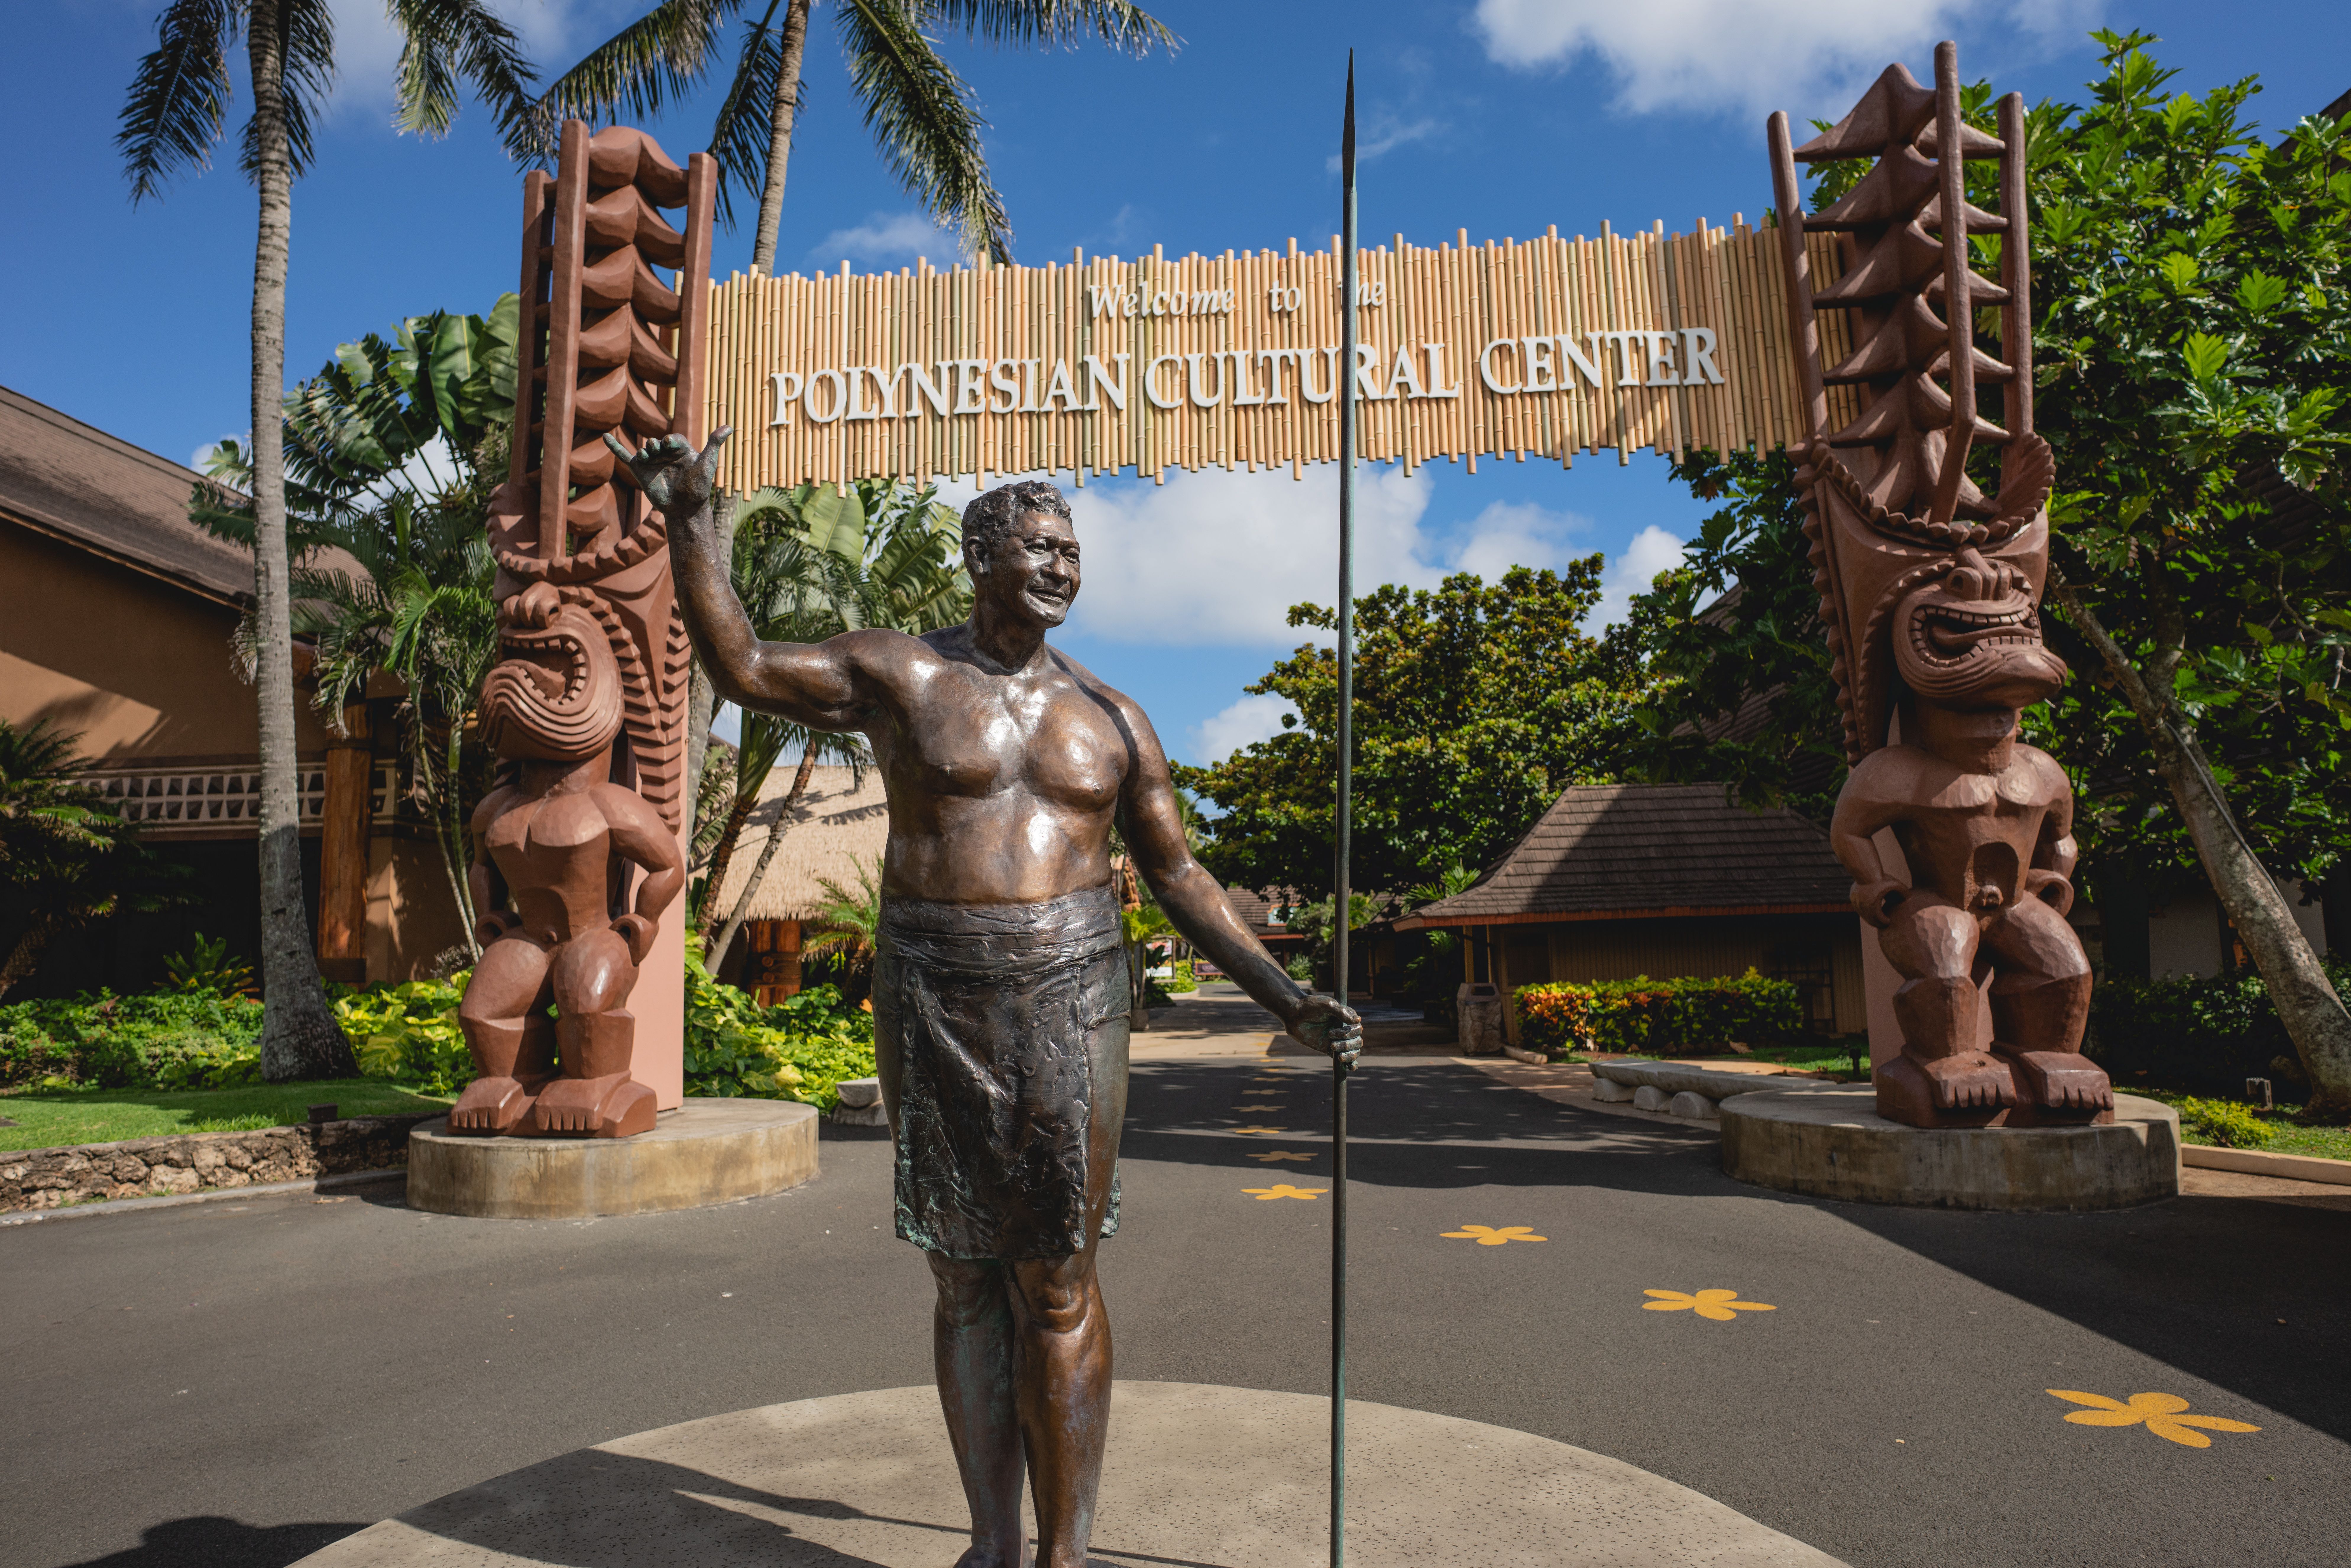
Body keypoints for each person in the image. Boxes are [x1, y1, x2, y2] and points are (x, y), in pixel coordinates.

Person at [619, 429, 1361, 1568]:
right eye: (1039, 546)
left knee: (1057, 1278)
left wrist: (1283, 997)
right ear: (981, 555)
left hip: (1072, 988)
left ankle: (1065, 1552)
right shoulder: (899, 673)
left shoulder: (1112, 717)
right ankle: (990, 1543)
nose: (1063, 567)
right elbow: (747, 670)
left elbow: (1179, 876)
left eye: (1072, 550)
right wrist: (691, 526)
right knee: (963, 1274)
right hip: (934, 983)